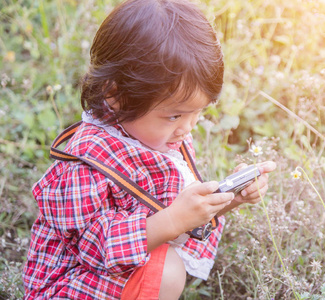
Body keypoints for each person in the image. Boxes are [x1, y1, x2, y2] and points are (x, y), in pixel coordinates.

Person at [22, 0, 276, 299]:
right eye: (174, 115)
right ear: (115, 95)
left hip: (120, 271)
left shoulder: (164, 135)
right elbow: (96, 250)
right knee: (166, 270)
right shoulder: (86, 162)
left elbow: (175, 210)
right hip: (71, 285)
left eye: (199, 113)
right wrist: (173, 220)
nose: (187, 127)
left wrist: (229, 199)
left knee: (167, 266)